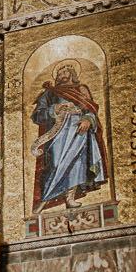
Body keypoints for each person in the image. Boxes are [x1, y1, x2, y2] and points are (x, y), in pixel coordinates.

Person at [31, 61, 106, 210]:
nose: (62, 74)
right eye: (59, 72)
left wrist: (87, 119)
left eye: (66, 71)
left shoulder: (81, 89)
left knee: (77, 162)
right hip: (56, 134)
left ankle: (70, 198)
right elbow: (37, 115)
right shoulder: (50, 93)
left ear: (72, 73)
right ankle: (46, 198)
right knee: (56, 164)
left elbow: (90, 108)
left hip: (79, 131)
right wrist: (55, 109)